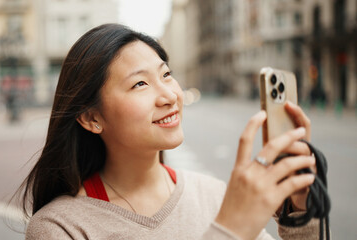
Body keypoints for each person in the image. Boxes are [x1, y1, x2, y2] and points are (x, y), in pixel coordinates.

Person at [22, 24, 319, 239]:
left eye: (166, 74)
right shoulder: (59, 228)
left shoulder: (217, 197)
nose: (169, 95)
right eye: (140, 83)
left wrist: (301, 214)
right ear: (91, 117)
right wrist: (229, 230)